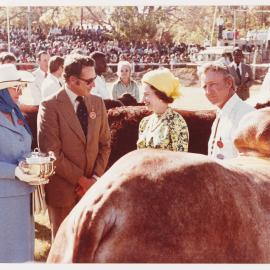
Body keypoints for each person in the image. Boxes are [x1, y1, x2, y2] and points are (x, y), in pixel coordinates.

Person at [37, 53, 111, 241]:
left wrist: (94, 179)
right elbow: (51, 152)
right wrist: (81, 180)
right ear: (72, 80)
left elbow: (105, 144)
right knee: (63, 250)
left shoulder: (97, 103)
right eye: (89, 81)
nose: (93, 84)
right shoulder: (49, 106)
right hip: (63, 194)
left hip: (92, 192)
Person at [0, 64, 42, 262]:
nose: (20, 93)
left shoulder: (16, 113)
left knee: (24, 254)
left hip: (23, 194)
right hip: (4, 198)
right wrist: (15, 171)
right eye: (15, 88)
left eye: (21, 88)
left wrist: (33, 163)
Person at [199, 62, 255, 160]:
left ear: (229, 83)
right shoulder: (221, 114)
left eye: (212, 84)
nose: (208, 91)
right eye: (205, 87)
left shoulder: (248, 117)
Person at [137, 68, 189, 152]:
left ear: (161, 95)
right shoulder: (144, 122)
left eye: (146, 94)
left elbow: (180, 161)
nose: (142, 100)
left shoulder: (176, 122)